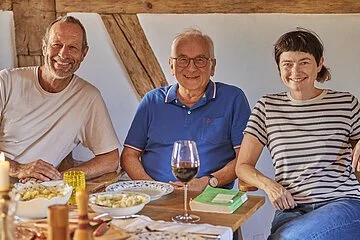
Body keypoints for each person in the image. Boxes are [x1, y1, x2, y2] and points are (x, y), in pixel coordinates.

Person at [236, 28, 360, 240]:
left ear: (319, 63)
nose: (295, 71)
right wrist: (269, 185)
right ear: (279, 68)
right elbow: (243, 166)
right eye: (287, 64)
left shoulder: (345, 103)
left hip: (341, 205)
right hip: (291, 211)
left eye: (304, 62)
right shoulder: (267, 107)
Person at [121, 28, 250, 191]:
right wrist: (153, 188)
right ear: (171, 65)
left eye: (200, 60)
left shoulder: (233, 99)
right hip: (156, 196)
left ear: (212, 66)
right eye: (182, 59)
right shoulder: (152, 101)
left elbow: (245, 158)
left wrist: (208, 182)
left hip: (209, 197)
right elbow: (129, 156)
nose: (191, 68)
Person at [0, 16, 120, 182]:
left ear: (84, 54)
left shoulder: (88, 97)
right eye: (56, 45)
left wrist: (59, 178)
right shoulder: (6, 81)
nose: (63, 54)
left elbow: (110, 160)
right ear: (44, 47)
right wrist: (18, 169)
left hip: (39, 194)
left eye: (72, 47)